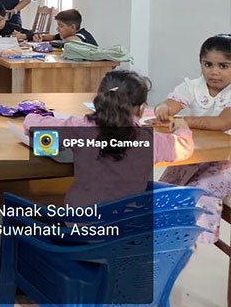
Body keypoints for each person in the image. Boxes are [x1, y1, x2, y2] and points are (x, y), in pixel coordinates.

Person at [24, 70, 193, 208]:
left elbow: (31, 124)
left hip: (80, 224)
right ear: (141, 109)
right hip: (128, 228)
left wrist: (35, 115)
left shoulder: (80, 128)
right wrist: (182, 127)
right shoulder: (150, 140)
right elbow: (184, 148)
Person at [154, 34, 231, 243]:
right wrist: (163, 109)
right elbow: (170, 104)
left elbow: (223, 123)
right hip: (199, 154)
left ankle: (190, 237)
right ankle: (162, 228)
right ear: (200, 63)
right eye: (208, 64)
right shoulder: (193, 87)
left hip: (227, 159)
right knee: (167, 185)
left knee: (200, 192)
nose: (214, 72)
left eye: (223, 66)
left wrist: (184, 120)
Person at [33, 9, 98, 46]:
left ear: (72, 27)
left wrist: (48, 43)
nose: (57, 29)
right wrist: (40, 37)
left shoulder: (83, 35)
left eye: (61, 26)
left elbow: (71, 40)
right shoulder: (67, 35)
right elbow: (53, 37)